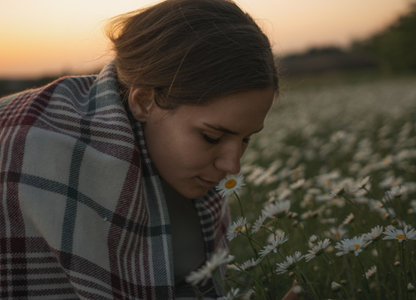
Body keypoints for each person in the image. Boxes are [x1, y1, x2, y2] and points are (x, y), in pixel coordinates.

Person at [0, 0, 298, 299]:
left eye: (247, 138)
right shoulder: (31, 149)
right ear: (143, 102)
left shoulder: (195, 187)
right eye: (211, 137)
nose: (233, 166)